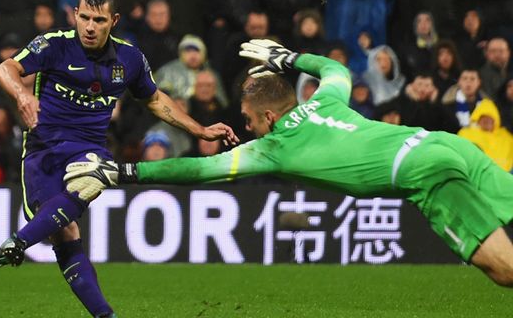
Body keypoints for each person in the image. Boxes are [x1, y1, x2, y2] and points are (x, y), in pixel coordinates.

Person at [65, 38, 513, 288]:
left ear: (270, 116)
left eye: (247, 120)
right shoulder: (326, 102)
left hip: (423, 173)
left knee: (503, 269)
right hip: (444, 144)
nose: (246, 128)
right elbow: (338, 71)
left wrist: (122, 172)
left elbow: (194, 171)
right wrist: (290, 57)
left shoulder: (272, 146)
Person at [0, 0, 238, 318]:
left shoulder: (130, 58)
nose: (90, 27)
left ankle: (19, 243)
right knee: (66, 232)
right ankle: (90, 302)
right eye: (85, 18)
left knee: (96, 174)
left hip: (88, 150)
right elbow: (5, 68)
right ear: (76, 15)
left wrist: (200, 129)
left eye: (100, 20)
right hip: (43, 149)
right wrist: (22, 95)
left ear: (114, 20)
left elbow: (154, 99)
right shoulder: (54, 44)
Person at [458, 99, 513, 172]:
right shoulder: (466, 134)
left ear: (496, 119)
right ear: (477, 118)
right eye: (483, 117)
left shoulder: (506, 137)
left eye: (490, 118)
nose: (487, 121)